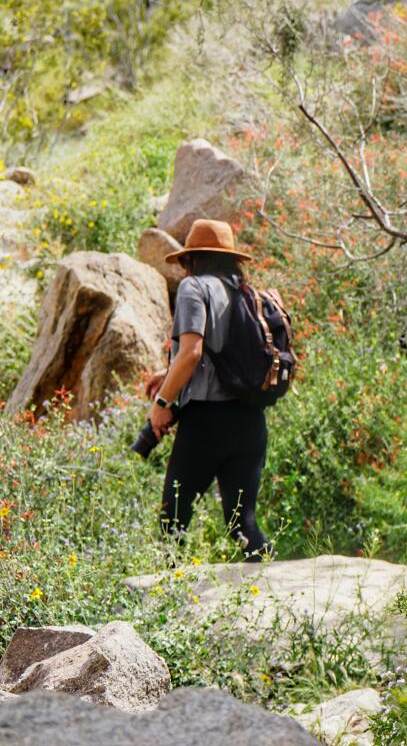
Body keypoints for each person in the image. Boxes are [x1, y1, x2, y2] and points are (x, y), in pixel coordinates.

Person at [144, 219, 271, 561]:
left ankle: (165, 607)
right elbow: (219, 354)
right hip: (250, 422)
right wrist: (167, 371)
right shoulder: (245, 293)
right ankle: (273, 598)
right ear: (231, 260)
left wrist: (162, 402)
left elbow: (192, 352)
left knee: (173, 523)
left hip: (206, 423)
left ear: (192, 259)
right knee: (243, 526)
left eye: (185, 262)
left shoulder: (193, 288)